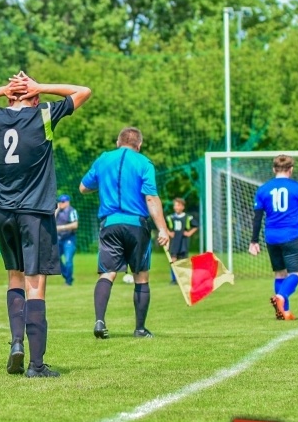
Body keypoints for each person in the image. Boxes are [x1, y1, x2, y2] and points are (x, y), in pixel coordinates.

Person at [0, 71, 91, 378]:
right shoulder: (43, 115)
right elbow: (83, 90)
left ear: (8, 98)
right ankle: (37, 364)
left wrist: (4, 91)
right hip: (36, 212)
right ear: (35, 97)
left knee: (14, 278)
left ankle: (16, 342)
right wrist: (39, 87)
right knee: (36, 283)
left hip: (3, 212)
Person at [80, 127, 169, 340]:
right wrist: (163, 228)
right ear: (139, 145)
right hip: (136, 225)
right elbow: (150, 198)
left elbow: (83, 187)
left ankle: (100, 321)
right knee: (141, 275)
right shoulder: (144, 163)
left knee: (107, 273)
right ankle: (140, 329)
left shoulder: (103, 159)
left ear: (118, 143)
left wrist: (103, 184)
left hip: (109, 224)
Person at [248, 155, 298, 320]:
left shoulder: (263, 189)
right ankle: (281, 297)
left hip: (271, 237)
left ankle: (283, 312)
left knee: (279, 274)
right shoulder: (297, 188)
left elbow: (257, 218)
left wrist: (254, 241)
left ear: (274, 169)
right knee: (296, 273)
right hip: (291, 235)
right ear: (291, 170)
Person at [166, 197, 199, 284]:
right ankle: (174, 279)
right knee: (173, 260)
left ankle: (183, 279)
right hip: (174, 242)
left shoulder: (188, 217)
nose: (176, 207)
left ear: (182, 207)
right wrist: (169, 233)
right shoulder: (170, 217)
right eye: (175, 205)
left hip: (183, 242)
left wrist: (189, 233)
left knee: (183, 260)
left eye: (178, 205)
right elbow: (163, 226)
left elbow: (196, 226)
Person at [55, 194, 78, 286]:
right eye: (59, 202)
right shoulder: (58, 212)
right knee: (55, 258)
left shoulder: (72, 211)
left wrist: (61, 228)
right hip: (58, 239)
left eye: (62, 202)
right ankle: (67, 276)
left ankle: (68, 281)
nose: (61, 204)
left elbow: (75, 225)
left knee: (68, 260)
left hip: (69, 239)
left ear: (67, 202)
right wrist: (56, 210)